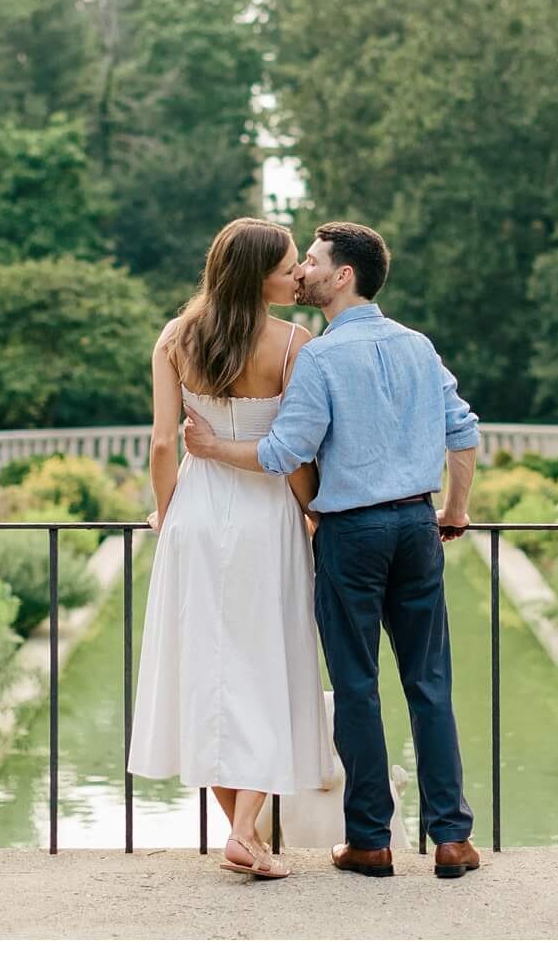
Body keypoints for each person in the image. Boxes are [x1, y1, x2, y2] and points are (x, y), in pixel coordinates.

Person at [184, 221, 483, 880]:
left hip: (351, 533)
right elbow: (464, 432)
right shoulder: (417, 346)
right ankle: (453, 839)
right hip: (415, 526)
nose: (303, 272)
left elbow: (281, 452)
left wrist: (211, 450)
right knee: (430, 682)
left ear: (342, 275)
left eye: (312, 262)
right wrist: (454, 513)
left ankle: (371, 842)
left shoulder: (319, 356)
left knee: (357, 687)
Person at [126, 218, 334, 881]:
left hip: (196, 510)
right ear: (257, 276)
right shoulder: (296, 342)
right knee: (265, 663)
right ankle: (246, 832)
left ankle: (242, 833)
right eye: (288, 267)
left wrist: (165, 511)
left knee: (203, 666)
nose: (298, 275)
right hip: (266, 516)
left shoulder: (175, 337)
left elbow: (164, 444)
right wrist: (313, 513)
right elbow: (295, 453)